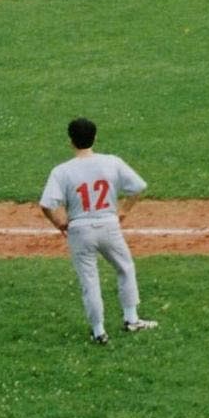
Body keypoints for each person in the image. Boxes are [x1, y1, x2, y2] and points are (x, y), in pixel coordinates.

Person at [38, 117, 158, 344]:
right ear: (95, 137)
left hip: (80, 229)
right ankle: (131, 319)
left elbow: (46, 204)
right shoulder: (111, 162)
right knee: (125, 268)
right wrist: (123, 211)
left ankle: (98, 331)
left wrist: (59, 223)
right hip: (109, 225)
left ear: (71, 141)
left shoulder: (62, 171)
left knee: (89, 280)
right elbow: (139, 187)